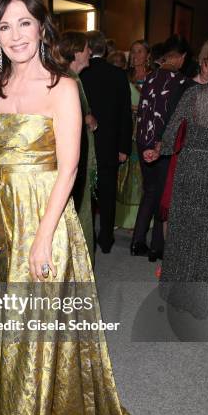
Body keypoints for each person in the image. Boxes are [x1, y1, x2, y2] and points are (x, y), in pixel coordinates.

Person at [0, 0, 138, 415]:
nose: (15, 35)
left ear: (41, 26)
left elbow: (69, 167)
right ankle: (10, 403)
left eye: (24, 22)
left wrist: (44, 237)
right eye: (4, 26)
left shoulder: (63, 86)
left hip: (45, 214)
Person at [158, 37, 208, 318]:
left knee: (183, 231)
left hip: (191, 166)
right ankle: (201, 302)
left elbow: (170, 138)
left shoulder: (194, 95)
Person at [131, 35, 190, 261]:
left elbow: (144, 110)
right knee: (163, 192)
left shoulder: (150, 77)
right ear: (181, 57)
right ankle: (156, 247)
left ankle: (137, 242)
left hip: (142, 140)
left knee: (150, 191)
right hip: (164, 144)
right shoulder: (183, 83)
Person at [80, 30, 132, 253]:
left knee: (85, 196)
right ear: (106, 49)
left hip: (84, 144)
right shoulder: (119, 75)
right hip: (111, 145)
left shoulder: (80, 74)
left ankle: (86, 238)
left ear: (87, 49)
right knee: (108, 194)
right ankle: (107, 239)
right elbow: (125, 115)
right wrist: (124, 147)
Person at [59, 30, 97, 264]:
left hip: (77, 154)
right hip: (74, 159)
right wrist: (87, 119)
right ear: (75, 51)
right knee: (77, 212)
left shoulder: (70, 77)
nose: (90, 52)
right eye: (86, 48)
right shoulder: (70, 79)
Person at [116, 40, 150, 230]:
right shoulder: (123, 76)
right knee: (125, 175)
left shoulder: (154, 77)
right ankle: (124, 218)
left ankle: (141, 219)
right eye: (133, 51)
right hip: (127, 130)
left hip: (146, 131)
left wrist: (143, 110)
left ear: (147, 55)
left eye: (139, 51)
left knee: (143, 177)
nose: (135, 55)